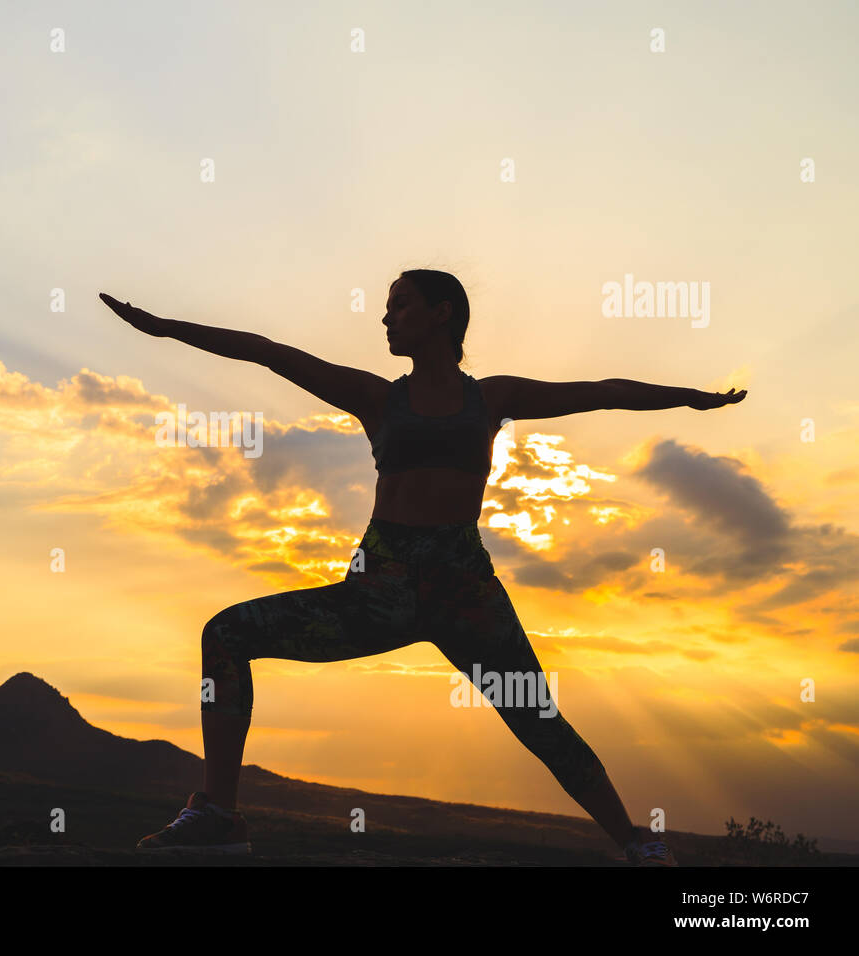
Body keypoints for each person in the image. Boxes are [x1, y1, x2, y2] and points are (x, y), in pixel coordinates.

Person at [98, 272, 746, 865]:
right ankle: (218, 816)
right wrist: (165, 328)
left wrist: (692, 399)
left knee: (540, 722)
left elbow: (602, 394)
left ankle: (637, 844)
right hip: (380, 592)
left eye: (399, 306)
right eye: (385, 308)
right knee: (226, 633)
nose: (386, 319)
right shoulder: (377, 398)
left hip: (464, 593)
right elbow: (268, 350)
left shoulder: (492, 398)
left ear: (442, 314)